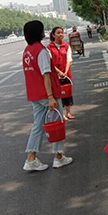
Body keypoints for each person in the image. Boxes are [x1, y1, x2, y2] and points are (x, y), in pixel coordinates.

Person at [22, 20, 73, 172]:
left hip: (34, 94)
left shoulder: (27, 51)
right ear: (38, 32)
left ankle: (31, 158)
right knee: (57, 124)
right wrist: (50, 97)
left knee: (38, 126)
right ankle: (58, 156)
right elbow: (46, 74)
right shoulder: (41, 51)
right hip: (46, 94)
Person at [48, 26, 75, 120]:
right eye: (58, 33)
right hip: (56, 76)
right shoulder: (49, 48)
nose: (61, 35)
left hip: (66, 75)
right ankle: (61, 114)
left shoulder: (66, 46)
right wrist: (59, 72)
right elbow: (50, 63)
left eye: (62, 33)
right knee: (58, 95)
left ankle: (68, 112)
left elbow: (69, 60)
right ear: (53, 35)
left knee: (68, 94)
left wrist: (66, 72)